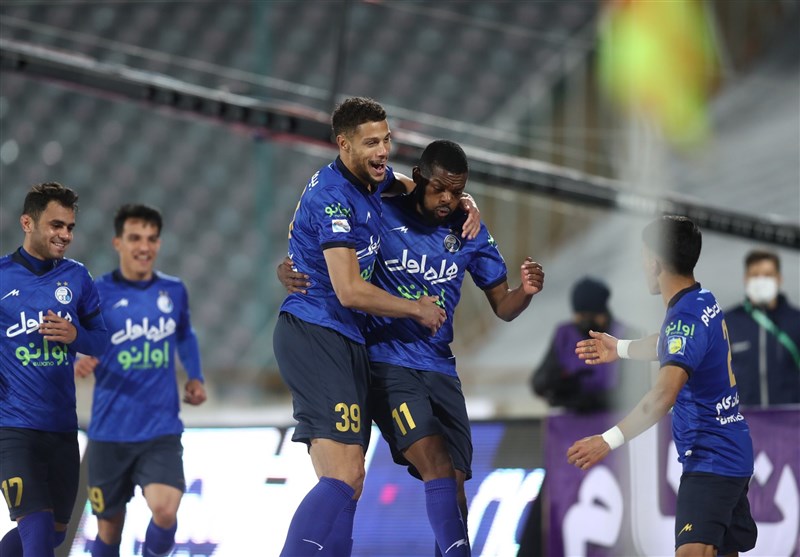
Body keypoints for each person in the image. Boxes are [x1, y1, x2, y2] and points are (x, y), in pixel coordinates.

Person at [280, 139, 545, 556]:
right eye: (439, 189)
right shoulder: (381, 210)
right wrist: (291, 265)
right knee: (423, 464)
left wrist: (525, 292)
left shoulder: (468, 229)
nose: (448, 199)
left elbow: (503, 306)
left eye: (457, 191)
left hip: (440, 367)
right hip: (387, 363)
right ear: (419, 178)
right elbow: (331, 232)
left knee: (454, 484)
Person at [273, 98, 480, 557]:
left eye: (386, 139)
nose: (383, 150)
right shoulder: (333, 197)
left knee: (347, 485)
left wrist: (466, 200)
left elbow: (407, 183)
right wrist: (415, 308)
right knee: (345, 476)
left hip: (346, 337)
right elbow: (348, 290)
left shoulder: (371, 178)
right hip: (317, 332)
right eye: (371, 143)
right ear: (343, 144)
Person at [568, 216, 757, 557]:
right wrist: (621, 348)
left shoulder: (684, 317)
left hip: (711, 460)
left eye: (644, 256)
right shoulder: (701, 300)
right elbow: (672, 342)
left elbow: (662, 395)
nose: (642, 265)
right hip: (729, 451)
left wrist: (607, 441)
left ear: (655, 262)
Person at [74, 204, 207, 557]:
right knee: (108, 530)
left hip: (159, 429)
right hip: (109, 433)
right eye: (135, 238)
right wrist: (79, 357)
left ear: (159, 244)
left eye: (151, 239)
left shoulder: (173, 290)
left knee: (165, 510)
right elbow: (73, 339)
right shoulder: (95, 293)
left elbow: (185, 334)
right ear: (118, 242)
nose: (144, 247)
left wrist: (195, 376)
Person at [0, 182, 108, 557]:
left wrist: (76, 336)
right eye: (56, 225)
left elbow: (102, 342)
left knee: (55, 534)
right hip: (13, 430)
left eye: (70, 227)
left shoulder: (78, 277)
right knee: (39, 533)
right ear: (27, 223)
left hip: (62, 428)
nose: (65, 235)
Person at [531, 276, 636, 413]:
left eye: (592, 316)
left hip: (615, 417)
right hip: (572, 417)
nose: (587, 323)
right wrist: (559, 382)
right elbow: (538, 382)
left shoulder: (625, 336)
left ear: (603, 312)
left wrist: (597, 399)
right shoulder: (565, 336)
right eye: (581, 316)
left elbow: (636, 389)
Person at [725, 249, 800, 407]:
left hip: (790, 417)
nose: (761, 280)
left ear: (779, 279)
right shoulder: (728, 322)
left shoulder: (796, 320)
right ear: (746, 279)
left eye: (768, 275)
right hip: (743, 417)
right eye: (755, 275)